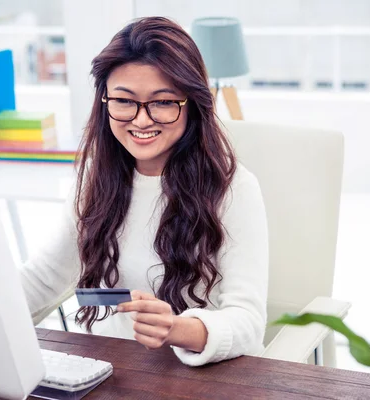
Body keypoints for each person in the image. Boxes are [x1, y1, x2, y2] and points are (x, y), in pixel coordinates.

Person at [20, 16, 269, 367]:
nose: (141, 120)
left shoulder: (234, 188)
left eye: (163, 102)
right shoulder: (95, 176)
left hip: (200, 380)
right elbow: (44, 278)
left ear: (191, 106)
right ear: (104, 102)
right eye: (124, 101)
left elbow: (248, 322)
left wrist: (175, 329)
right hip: (111, 373)